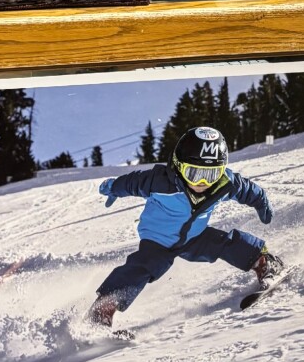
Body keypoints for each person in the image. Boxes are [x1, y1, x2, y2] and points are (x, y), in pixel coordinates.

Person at [88, 126, 280, 330]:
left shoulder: (224, 184)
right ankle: (103, 309)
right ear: (179, 166)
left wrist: (261, 201)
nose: (204, 182)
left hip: (194, 238)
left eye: (212, 174)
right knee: (143, 266)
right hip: (157, 241)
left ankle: (263, 261)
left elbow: (248, 190)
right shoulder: (161, 182)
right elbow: (132, 182)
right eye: (194, 173)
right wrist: (113, 188)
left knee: (224, 243)